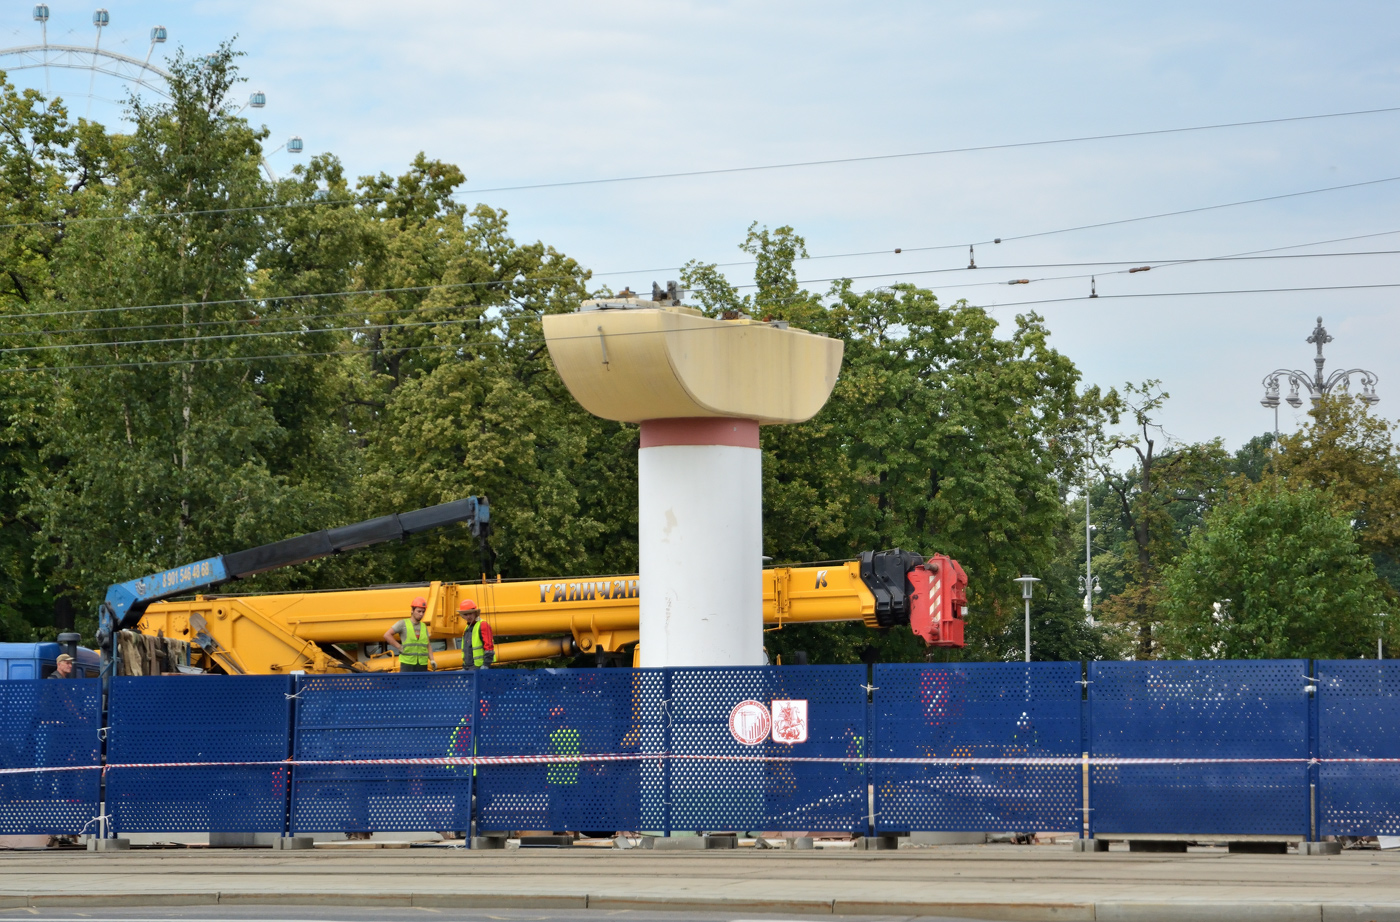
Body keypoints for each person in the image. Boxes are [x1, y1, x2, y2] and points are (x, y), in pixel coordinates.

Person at [384, 596, 436, 672]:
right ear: (412, 610)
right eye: (419, 611)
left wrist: (432, 660)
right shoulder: (403, 623)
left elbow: (428, 645)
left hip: (422, 664)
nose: (421, 614)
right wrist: (399, 647)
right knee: (407, 684)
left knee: (421, 684)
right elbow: (387, 635)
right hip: (407, 664)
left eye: (423, 612)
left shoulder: (424, 626)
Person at [459, 600, 494, 669]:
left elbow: (489, 646)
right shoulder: (467, 628)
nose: (468, 616)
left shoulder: (483, 625)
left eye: (470, 613)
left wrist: (486, 665)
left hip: (480, 667)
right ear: (463, 616)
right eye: (466, 614)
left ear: (475, 613)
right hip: (470, 667)